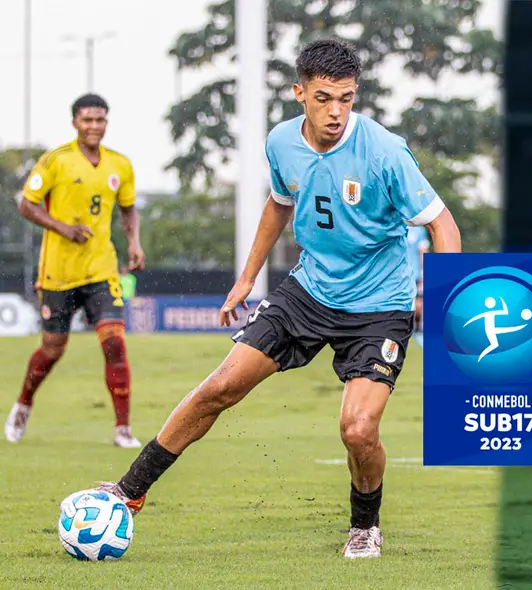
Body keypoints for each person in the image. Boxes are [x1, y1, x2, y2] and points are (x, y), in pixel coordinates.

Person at [96, 38, 462, 559]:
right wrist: (247, 277)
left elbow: (443, 225)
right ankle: (128, 490)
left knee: (357, 430)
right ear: (299, 93)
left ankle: (365, 525)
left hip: (379, 307)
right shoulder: (282, 142)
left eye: (346, 98)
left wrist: (444, 301)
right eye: (323, 98)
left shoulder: (384, 151)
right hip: (307, 292)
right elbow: (278, 204)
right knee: (221, 385)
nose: (335, 111)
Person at [5, 93, 145, 449]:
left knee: (114, 341)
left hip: (101, 269)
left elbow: (128, 209)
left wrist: (134, 244)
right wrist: (63, 228)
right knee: (53, 348)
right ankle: (23, 404)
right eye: (87, 120)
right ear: (75, 123)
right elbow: (26, 203)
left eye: (100, 120)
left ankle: (123, 428)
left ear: (106, 123)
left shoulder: (120, 165)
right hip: (59, 272)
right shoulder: (57, 161)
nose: (94, 126)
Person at [406, 224, 430, 347]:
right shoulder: (396, 226)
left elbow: (422, 251)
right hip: (400, 275)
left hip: (414, 273)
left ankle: (419, 331)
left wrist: (423, 272)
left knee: (419, 303)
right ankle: (407, 331)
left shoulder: (419, 230)